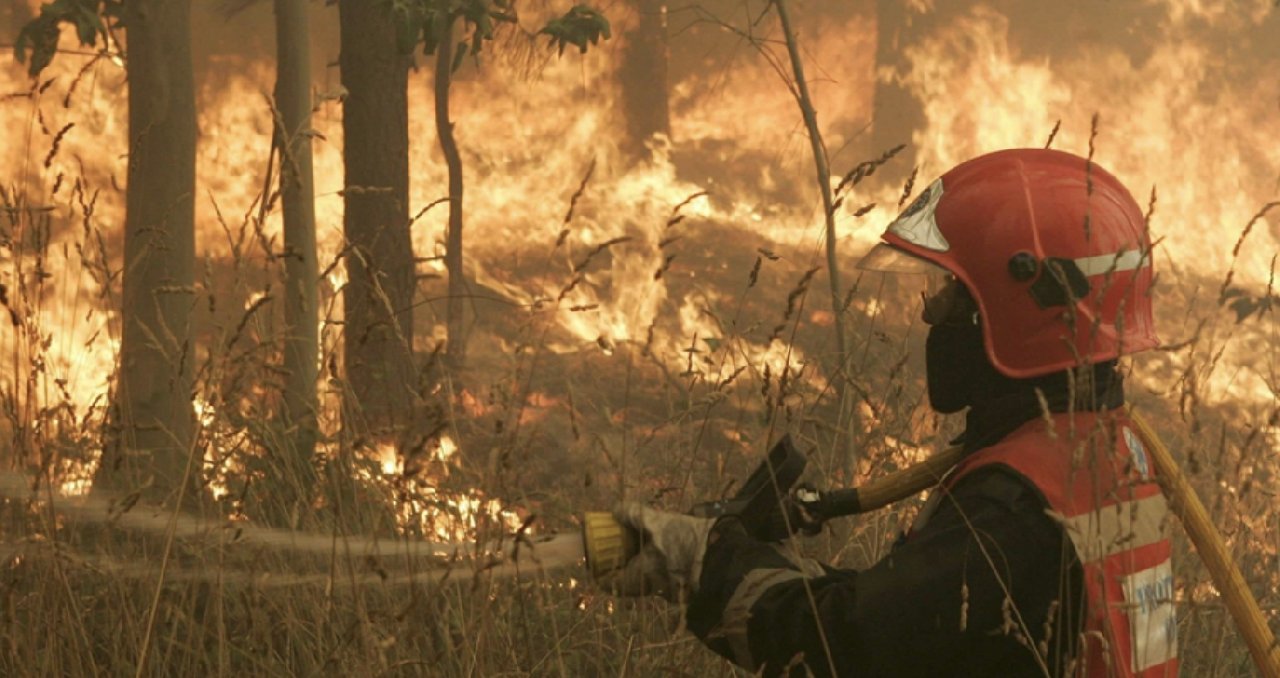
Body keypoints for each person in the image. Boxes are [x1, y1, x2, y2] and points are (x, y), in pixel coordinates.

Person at [603, 149, 1178, 677]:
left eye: (951, 291)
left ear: (1015, 308)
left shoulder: (1011, 506)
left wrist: (707, 564)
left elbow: (839, 647)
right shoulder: (1104, 455)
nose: (933, 315)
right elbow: (924, 624)